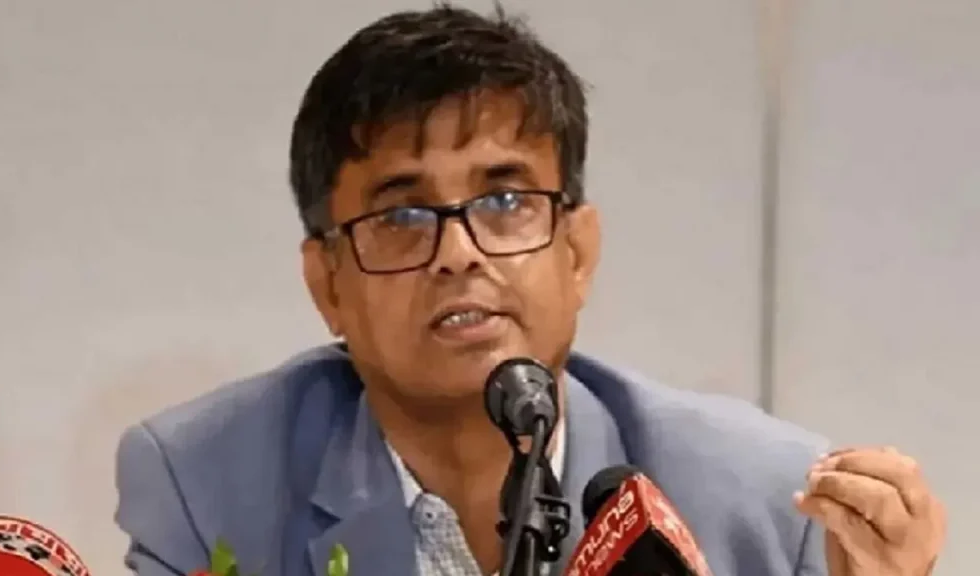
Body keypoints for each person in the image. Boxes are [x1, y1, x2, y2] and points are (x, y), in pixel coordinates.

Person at [113, 5, 946, 576]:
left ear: (577, 251)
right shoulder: (205, 484)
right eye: (402, 214)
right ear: (327, 283)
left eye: (505, 201)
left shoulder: (763, 500)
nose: (458, 252)